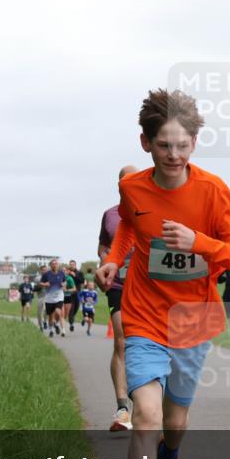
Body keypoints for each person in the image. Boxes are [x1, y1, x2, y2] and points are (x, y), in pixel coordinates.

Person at [96, 88, 230, 459]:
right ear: (146, 144)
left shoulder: (213, 191)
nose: (175, 155)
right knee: (146, 415)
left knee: (175, 423)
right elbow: (128, 231)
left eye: (184, 145)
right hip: (143, 317)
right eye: (165, 145)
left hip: (193, 320)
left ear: (195, 143)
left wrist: (198, 243)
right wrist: (113, 261)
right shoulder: (133, 189)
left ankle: (172, 457)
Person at [99, 164, 139, 432]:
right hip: (119, 284)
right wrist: (105, 264)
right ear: (119, 186)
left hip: (149, 286)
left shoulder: (156, 210)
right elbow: (103, 247)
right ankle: (123, 408)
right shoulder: (110, 215)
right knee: (122, 342)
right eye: (125, 182)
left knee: (149, 343)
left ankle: (149, 405)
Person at [39, 259, 66, 337]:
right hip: (49, 298)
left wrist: (63, 284)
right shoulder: (46, 274)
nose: (54, 265)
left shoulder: (61, 273)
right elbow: (40, 283)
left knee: (58, 312)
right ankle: (51, 329)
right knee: (50, 317)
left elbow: (65, 281)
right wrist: (45, 284)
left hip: (59, 297)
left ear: (58, 265)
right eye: (53, 264)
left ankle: (56, 324)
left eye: (56, 264)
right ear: (50, 265)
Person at [66, 260, 86, 328]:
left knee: (76, 307)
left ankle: (71, 317)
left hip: (77, 292)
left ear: (75, 265)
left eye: (73, 264)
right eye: (70, 264)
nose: (72, 265)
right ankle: (71, 323)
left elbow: (82, 281)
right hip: (70, 293)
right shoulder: (67, 273)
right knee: (71, 308)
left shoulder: (79, 273)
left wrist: (75, 276)